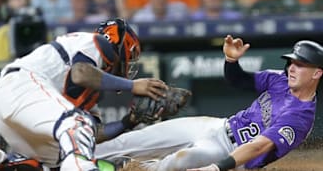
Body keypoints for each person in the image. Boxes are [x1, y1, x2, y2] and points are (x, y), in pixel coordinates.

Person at [95, 35, 323, 171]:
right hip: (216, 126)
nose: (292, 67)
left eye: (301, 64)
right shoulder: (279, 80)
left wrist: (219, 166)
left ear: (316, 74)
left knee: (173, 163)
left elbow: (259, 146)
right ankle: (73, 158)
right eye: (291, 62)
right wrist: (231, 61)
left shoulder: (300, 117)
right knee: (131, 140)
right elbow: (239, 81)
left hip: (229, 153)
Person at [0, 18, 168, 171]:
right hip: (21, 84)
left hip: (10, 103)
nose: (129, 65)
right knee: (76, 126)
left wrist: (128, 121)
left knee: (59, 158)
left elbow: (93, 134)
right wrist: (132, 85)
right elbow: (80, 74)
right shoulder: (96, 42)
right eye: (130, 58)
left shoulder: (91, 91)